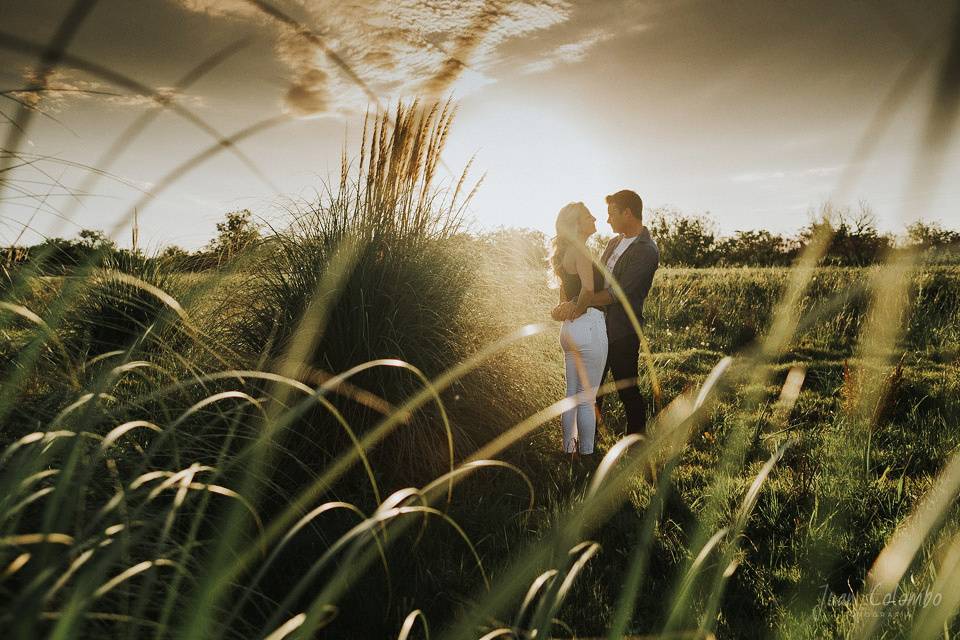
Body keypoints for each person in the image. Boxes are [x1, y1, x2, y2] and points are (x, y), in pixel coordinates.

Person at [552, 189, 659, 435]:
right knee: (592, 386)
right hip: (597, 326)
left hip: (622, 330)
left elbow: (618, 294)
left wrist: (581, 304)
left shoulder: (645, 250)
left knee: (626, 387)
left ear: (628, 213)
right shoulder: (614, 242)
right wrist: (573, 302)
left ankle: (636, 440)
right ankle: (584, 443)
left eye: (612, 213)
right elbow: (592, 281)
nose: (607, 219)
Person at [550, 202, 607, 459]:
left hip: (568, 332)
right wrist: (577, 309)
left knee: (571, 395)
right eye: (587, 216)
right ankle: (585, 456)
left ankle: (568, 451)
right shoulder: (581, 251)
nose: (594, 218)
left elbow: (564, 298)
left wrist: (566, 311)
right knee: (587, 398)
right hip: (589, 325)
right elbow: (587, 290)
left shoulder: (564, 255)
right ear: (576, 224)